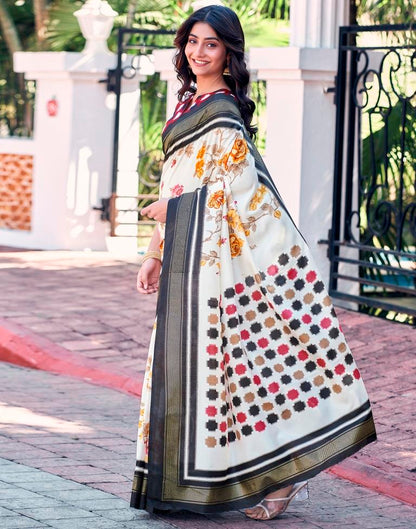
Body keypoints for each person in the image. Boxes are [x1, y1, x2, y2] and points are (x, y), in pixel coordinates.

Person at [130, 5, 376, 521]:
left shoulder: (224, 111)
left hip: (223, 267)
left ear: (228, 53)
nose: (198, 52)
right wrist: (155, 250)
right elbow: (175, 181)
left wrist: (173, 212)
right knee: (200, 372)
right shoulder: (185, 105)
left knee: (248, 368)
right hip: (185, 259)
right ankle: (197, 479)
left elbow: (237, 190)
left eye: (211, 44)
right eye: (192, 41)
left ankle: (287, 478)